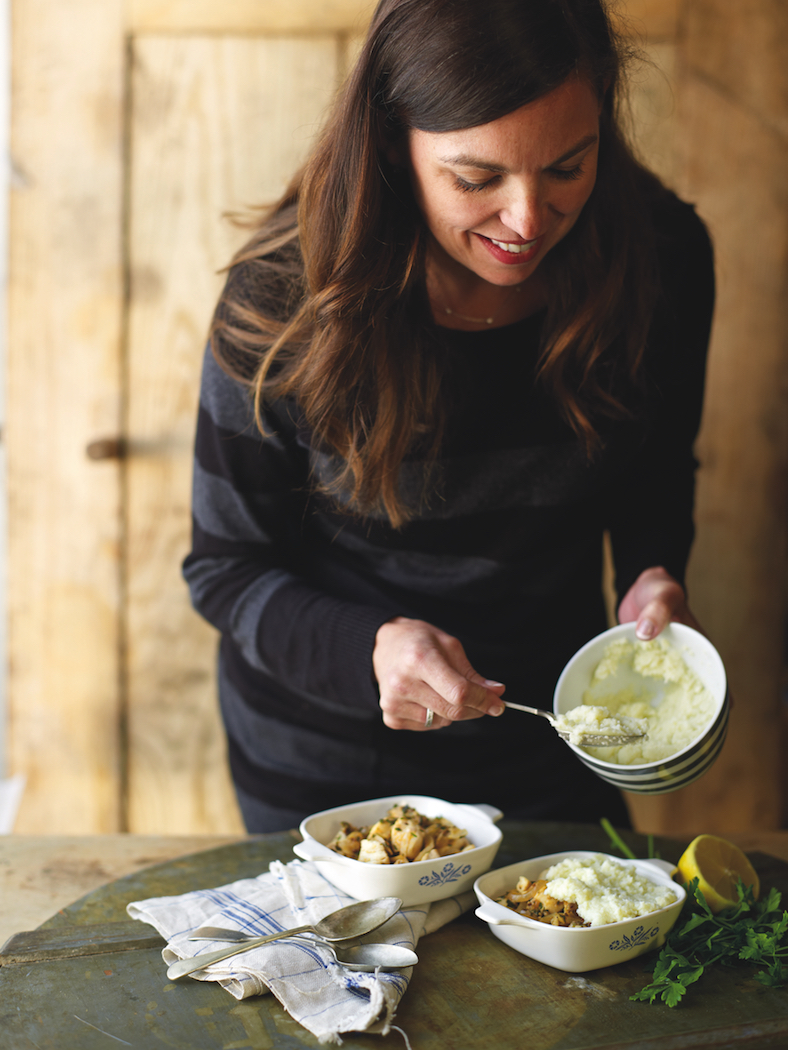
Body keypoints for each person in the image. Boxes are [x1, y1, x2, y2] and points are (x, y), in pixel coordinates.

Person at [183, 0, 714, 833]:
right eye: (477, 180)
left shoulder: (664, 256)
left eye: (569, 167)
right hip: (324, 765)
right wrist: (373, 649)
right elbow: (225, 569)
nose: (528, 221)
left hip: (553, 739)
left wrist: (654, 570)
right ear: (395, 143)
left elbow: (654, 467)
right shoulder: (285, 299)